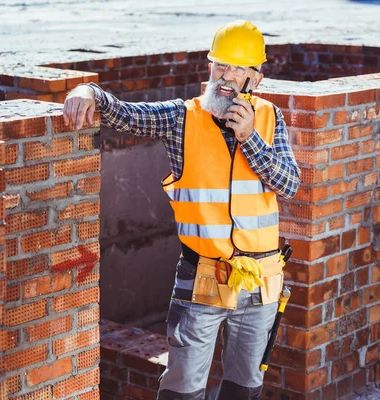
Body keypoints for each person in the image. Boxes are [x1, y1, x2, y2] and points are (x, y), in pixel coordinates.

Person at [63, 20, 301, 400]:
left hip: (261, 284)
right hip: (201, 281)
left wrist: (250, 138)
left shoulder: (270, 120)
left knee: (245, 389)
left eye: (239, 69)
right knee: (183, 392)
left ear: (256, 79)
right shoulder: (182, 118)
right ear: (209, 68)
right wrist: (86, 90)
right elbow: (126, 114)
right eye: (221, 65)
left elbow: (289, 183)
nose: (227, 77)